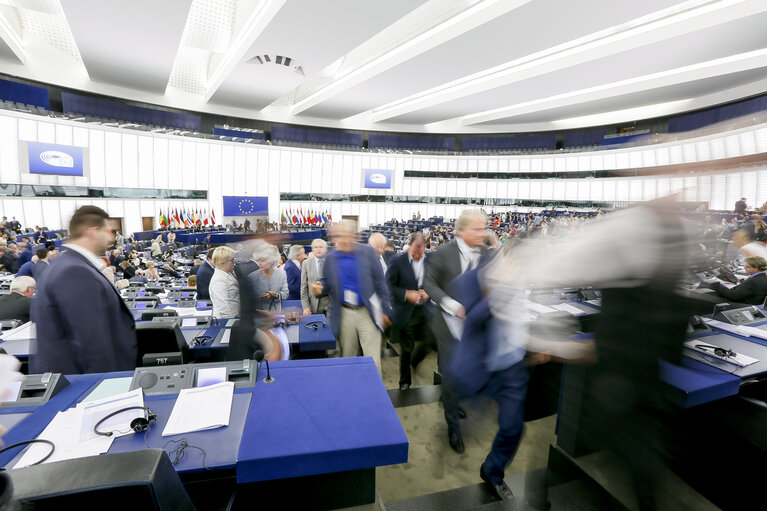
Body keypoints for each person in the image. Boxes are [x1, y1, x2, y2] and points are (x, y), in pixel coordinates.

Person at [31, 206, 136, 374]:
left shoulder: (68, 264)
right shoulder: (74, 271)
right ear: (93, 232)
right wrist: (108, 387)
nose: (111, 237)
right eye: (108, 231)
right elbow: (91, 342)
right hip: (86, 385)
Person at [423, 209, 489, 453]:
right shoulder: (443, 253)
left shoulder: (484, 253)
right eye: (477, 228)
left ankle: (453, 401)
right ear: (461, 231)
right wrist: (450, 304)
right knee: (450, 376)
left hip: (472, 327)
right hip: (448, 327)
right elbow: (429, 284)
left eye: (484, 228)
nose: (483, 233)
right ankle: (452, 425)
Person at [312, 221, 391, 375]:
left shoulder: (368, 253)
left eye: (344, 235)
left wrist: (385, 310)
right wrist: (319, 289)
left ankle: (373, 394)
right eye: (336, 236)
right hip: (344, 313)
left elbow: (381, 283)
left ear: (353, 236)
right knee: (348, 359)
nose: (340, 239)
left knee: (372, 361)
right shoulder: (331, 258)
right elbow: (326, 283)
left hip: (367, 312)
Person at [386, 233, 431, 390]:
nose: (417, 255)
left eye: (421, 251)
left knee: (430, 340)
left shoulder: (430, 260)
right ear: (409, 246)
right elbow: (389, 286)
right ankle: (404, 381)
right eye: (415, 251)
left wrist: (428, 292)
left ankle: (415, 361)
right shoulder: (397, 261)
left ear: (425, 247)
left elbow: (434, 281)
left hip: (424, 309)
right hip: (405, 311)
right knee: (406, 348)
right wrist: (406, 294)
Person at [248, 244, 289, 312]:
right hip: (259, 317)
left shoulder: (282, 274)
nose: (260, 263)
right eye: (259, 260)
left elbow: (285, 294)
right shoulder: (252, 277)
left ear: (272, 261)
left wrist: (275, 294)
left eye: (263, 260)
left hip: (277, 315)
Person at [209, 246, 239, 319]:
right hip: (228, 319)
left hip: (236, 315)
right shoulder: (219, 280)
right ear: (222, 263)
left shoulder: (229, 273)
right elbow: (223, 308)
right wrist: (231, 324)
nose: (234, 262)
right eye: (232, 260)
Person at [301, 239, 329, 316]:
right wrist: (305, 307)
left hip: (330, 307)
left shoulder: (332, 263)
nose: (318, 249)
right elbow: (303, 288)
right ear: (312, 249)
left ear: (326, 249)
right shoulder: (306, 263)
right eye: (316, 247)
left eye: (321, 247)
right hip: (313, 307)